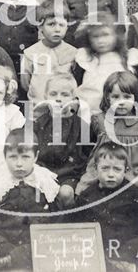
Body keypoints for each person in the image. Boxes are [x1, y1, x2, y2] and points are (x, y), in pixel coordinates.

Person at [0, 129, 59, 271]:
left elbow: (55, 214)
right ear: (5, 156)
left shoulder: (44, 180)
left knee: (47, 245)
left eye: (25, 157)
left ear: (35, 157)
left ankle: (8, 261)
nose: (19, 164)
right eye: (13, 157)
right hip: (4, 236)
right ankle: (18, 260)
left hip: (32, 237)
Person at [76, 71, 138, 194]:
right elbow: (89, 148)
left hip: (131, 174)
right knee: (84, 192)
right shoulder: (99, 120)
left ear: (135, 98)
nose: (121, 102)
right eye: (115, 97)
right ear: (108, 98)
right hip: (100, 173)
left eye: (127, 97)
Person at [71, 142, 138, 265]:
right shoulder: (87, 196)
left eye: (117, 169)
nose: (111, 174)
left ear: (125, 170)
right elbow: (74, 224)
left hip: (125, 250)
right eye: (105, 168)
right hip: (96, 250)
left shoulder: (135, 195)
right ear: (95, 168)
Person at [33, 74, 91, 207]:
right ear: (46, 97)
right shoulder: (39, 123)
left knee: (66, 193)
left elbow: (87, 154)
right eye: (53, 94)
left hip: (68, 174)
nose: (58, 99)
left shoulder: (81, 126)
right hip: (44, 172)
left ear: (73, 99)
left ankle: (68, 222)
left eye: (64, 95)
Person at [20, 0, 76, 113]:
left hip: (65, 112)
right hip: (37, 112)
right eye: (51, 24)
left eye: (61, 25)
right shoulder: (30, 53)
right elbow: (26, 83)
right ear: (40, 27)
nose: (57, 29)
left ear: (67, 26)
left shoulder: (73, 53)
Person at [73, 11, 127, 115]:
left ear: (115, 35)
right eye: (95, 36)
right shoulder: (84, 58)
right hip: (89, 111)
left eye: (105, 35)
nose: (101, 41)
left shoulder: (125, 58)